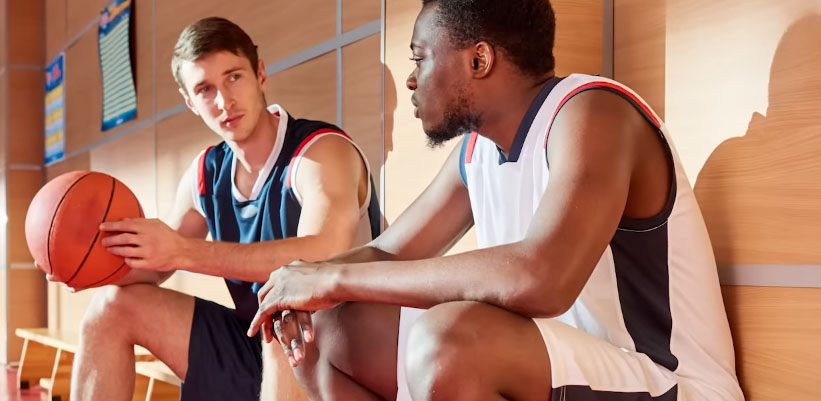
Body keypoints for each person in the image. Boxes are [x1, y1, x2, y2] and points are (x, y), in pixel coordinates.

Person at [249, 1, 745, 400]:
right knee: (328, 324)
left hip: (668, 382)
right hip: (562, 372)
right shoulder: (477, 151)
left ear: (479, 60)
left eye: (420, 56)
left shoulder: (592, 112)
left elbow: (539, 278)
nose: (411, 78)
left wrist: (332, 276)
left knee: (450, 339)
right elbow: (386, 253)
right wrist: (303, 286)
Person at [63, 17, 381, 401]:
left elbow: (324, 254)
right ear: (190, 102)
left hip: (347, 357)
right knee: (111, 307)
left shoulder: (319, 152)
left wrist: (184, 250)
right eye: (205, 88)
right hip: (259, 347)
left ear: (260, 73)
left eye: (234, 77)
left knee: (283, 309)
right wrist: (82, 264)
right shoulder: (204, 175)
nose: (224, 101)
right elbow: (154, 269)